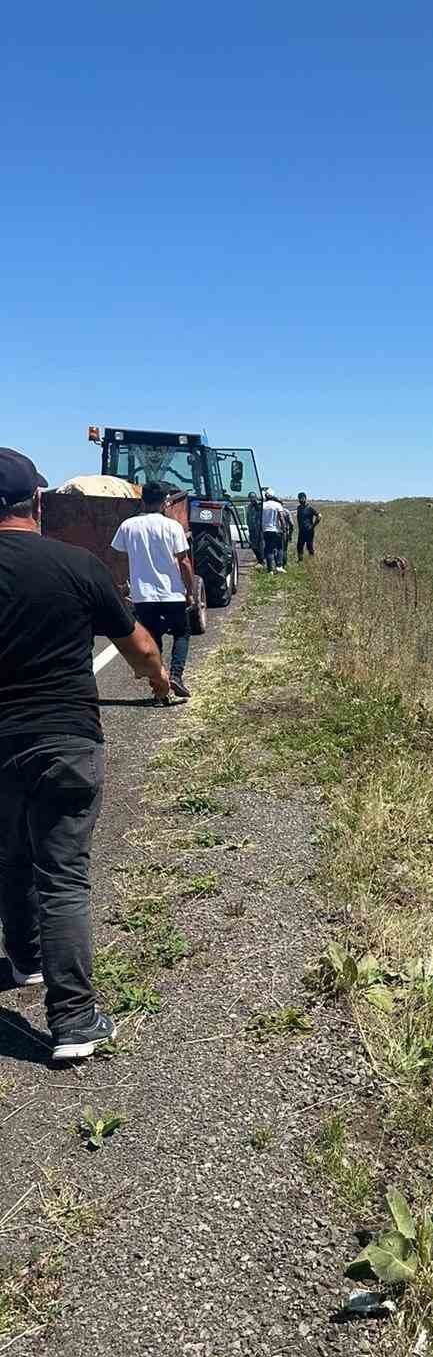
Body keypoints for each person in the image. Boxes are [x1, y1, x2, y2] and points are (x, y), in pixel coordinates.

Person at [0, 447, 171, 1061]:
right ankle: (73, 1020)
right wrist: (159, 684)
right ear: (38, 503)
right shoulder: (77, 565)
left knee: (10, 858)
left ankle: (24, 960)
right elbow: (141, 647)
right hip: (65, 737)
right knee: (62, 878)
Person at [111, 482, 195, 700]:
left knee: (153, 639)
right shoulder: (173, 526)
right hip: (172, 593)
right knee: (181, 633)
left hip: (143, 595)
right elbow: (184, 562)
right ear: (165, 501)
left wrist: (121, 584)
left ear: (142, 499)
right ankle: (176, 674)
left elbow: (119, 558)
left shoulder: (128, 526)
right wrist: (190, 590)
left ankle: (160, 686)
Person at [260, 488, 288, 574]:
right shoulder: (277, 505)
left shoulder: (262, 505)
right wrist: (284, 529)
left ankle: (270, 570)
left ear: (266, 496)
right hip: (276, 530)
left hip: (266, 530)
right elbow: (281, 518)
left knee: (269, 549)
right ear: (273, 496)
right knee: (279, 548)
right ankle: (279, 566)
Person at [296, 492, 321, 561]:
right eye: (299, 498)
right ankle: (300, 560)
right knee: (299, 546)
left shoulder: (309, 508)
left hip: (309, 530)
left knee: (309, 546)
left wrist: (313, 526)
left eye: (302, 498)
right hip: (301, 531)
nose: (300, 500)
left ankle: (312, 560)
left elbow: (319, 516)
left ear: (305, 498)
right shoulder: (299, 508)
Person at [246, 492, 263, 564]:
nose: (252, 499)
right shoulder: (249, 506)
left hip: (259, 529)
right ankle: (259, 559)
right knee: (253, 546)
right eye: (250, 497)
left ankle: (261, 561)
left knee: (260, 545)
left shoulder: (259, 505)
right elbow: (248, 517)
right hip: (252, 529)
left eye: (253, 497)